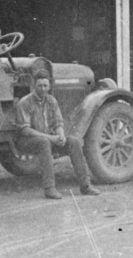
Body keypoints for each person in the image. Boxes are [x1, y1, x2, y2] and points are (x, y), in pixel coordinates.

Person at [12, 71, 101, 199]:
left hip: (48, 139)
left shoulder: (51, 101)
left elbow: (58, 122)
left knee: (73, 142)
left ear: (49, 86)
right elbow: (25, 130)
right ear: (33, 86)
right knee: (44, 142)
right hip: (26, 141)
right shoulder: (25, 102)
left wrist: (61, 135)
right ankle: (49, 188)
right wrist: (50, 138)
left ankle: (86, 185)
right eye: (40, 86)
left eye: (45, 86)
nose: (43, 89)